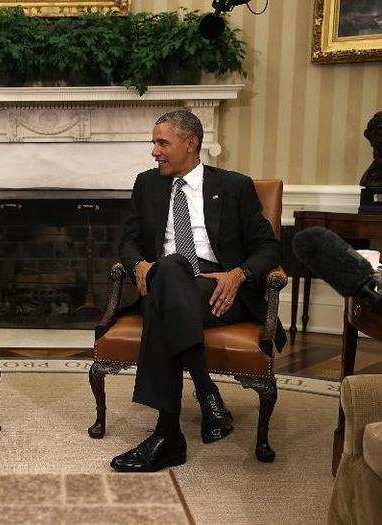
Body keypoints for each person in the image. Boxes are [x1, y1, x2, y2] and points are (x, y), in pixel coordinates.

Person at [110, 110, 286, 473]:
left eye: (162, 143)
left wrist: (239, 274)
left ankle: (168, 435)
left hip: (220, 289)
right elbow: (127, 241)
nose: (154, 152)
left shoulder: (235, 185)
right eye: (153, 143)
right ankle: (203, 393)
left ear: (190, 144)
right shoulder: (147, 184)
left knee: (167, 280)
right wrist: (139, 265)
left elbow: (268, 247)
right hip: (164, 280)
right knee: (170, 267)